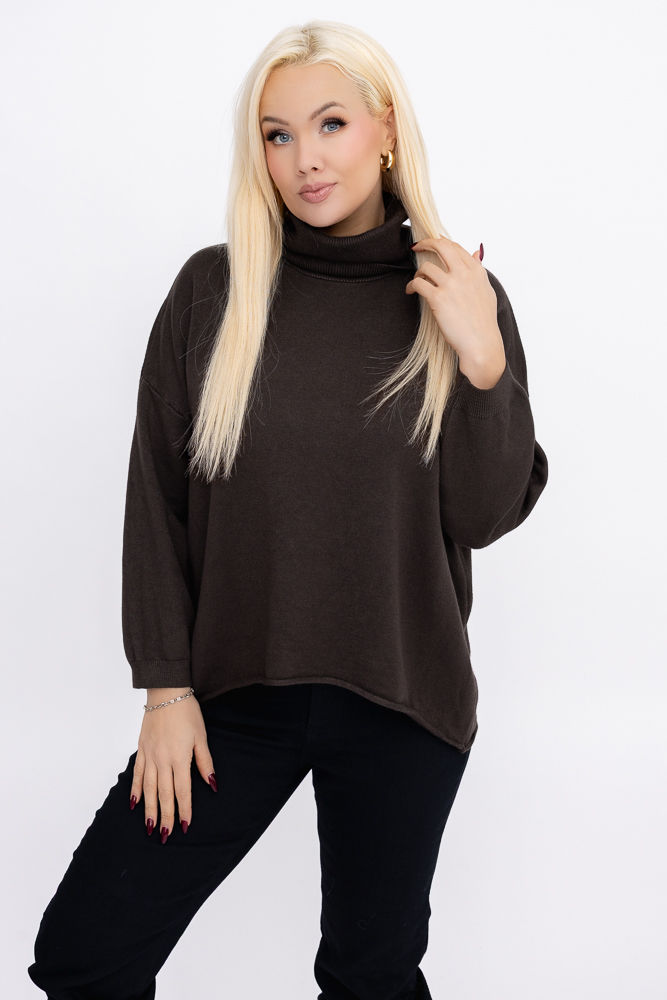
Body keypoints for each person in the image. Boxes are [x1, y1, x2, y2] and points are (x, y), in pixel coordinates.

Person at [28, 18, 548, 1000]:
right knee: (85, 953)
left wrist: (482, 360)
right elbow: (156, 502)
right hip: (234, 698)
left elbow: (483, 515)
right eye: (277, 134)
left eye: (330, 124)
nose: (304, 158)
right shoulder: (212, 292)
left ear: (384, 129)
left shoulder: (456, 292)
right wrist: (165, 689)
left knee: (369, 977)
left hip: (401, 694)